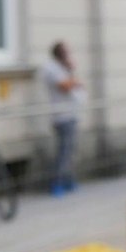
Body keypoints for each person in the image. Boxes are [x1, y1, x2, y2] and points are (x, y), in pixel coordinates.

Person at [40, 41, 84, 196]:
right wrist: (75, 82)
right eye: (66, 52)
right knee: (64, 151)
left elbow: (73, 85)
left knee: (70, 151)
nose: (68, 55)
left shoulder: (64, 68)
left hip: (71, 114)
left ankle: (68, 180)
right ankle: (57, 182)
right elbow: (64, 86)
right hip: (61, 116)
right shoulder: (51, 68)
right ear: (59, 53)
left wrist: (71, 71)